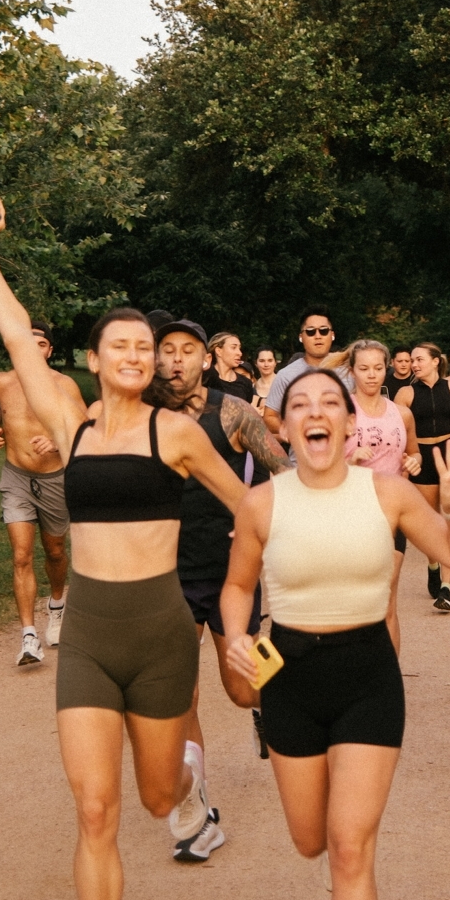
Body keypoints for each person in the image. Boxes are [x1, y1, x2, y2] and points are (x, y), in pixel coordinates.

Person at [0, 196, 251, 900]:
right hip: (89, 636)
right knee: (95, 811)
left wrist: (253, 607)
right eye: (117, 345)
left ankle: (189, 789)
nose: (133, 355)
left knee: (156, 798)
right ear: (92, 360)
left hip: (161, 635)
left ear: (155, 362)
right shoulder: (71, 423)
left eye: (143, 347)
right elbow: (14, 334)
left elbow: (254, 514)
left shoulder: (181, 434)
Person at [219, 368, 450, 900]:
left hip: (368, 675)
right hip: (289, 676)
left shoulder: (387, 493)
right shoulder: (261, 503)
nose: (316, 413)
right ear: (283, 427)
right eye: (300, 405)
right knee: (310, 841)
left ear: (348, 423)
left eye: (329, 403)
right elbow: (238, 585)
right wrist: (236, 636)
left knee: (348, 849)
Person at [156, 319, 290, 859]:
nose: (177, 360)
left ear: (206, 360)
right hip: (168, 574)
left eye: (188, 350)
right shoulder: (145, 417)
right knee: (179, 695)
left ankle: (278, 693)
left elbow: (283, 471)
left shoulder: (233, 413)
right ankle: (199, 815)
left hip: (232, 573)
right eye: (167, 350)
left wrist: (262, 522)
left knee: (242, 689)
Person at [0, 323, 87, 665]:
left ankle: (56, 607)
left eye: (41, 344)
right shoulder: (2, 382)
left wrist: (57, 441)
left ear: (50, 351)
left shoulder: (64, 385)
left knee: (54, 552)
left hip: (54, 478)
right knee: (21, 555)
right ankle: (29, 636)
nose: (34, 348)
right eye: (28, 342)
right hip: (16, 478)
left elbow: (85, 426)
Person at [344, 340, 421, 651]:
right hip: (350, 513)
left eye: (377, 368)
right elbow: (319, 467)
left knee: (387, 599)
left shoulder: (402, 414)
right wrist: (350, 460)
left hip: (392, 513)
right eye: (364, 368)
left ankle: (389, 678)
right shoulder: (339, 412)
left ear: (386, 369)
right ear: (352, 371)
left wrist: (415, 462)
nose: (371, 375)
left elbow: (414, 452)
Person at [396, 343, 450, 612]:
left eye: (419, 359)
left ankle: (446, 587)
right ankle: (433, 563)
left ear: (436, 361)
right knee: (431, 520)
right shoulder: (406, 393)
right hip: (423, 459)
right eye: (412, 360)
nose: (414, 364)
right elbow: (398, 431)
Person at [263, 306, 337, 437]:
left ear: (332, 335)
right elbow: (269, 417)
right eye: (310, 332)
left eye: (324, 331)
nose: (318, 336)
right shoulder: (286, 375)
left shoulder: (349, 372)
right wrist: (297, 432)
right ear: (301, 337)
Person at [203, 331, 253, 402]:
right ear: (218, 351)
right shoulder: (204, 379)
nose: (240, 353)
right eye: (233, 347)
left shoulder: (246, 383)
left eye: (239, 348)